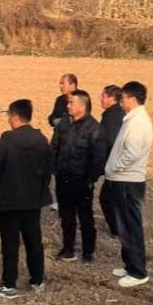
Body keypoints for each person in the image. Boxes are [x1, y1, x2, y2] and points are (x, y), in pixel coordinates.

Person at [0, 99, 52, 298]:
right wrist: (40, 192)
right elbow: (48, 171)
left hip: (8, 201)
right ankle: (37, 280)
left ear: (14, 116)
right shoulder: (41, 140)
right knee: (34, 242)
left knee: (10, 244)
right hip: (32, 201)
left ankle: (9, 284)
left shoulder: (6, 142)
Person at [105, 80, 153, 289]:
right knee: (125, 225)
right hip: (123, 179)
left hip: (127, 181)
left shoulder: (138, 122)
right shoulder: (132, 119)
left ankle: (138, 272)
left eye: (123, 97)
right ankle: (129, 265)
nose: (120, 101)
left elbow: (132, 153)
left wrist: (115, 167)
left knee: (130, 227)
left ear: (133, 98)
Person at [50, 89, 102, 263]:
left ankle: (88, 252)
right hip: (63, 177)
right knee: (66, 217)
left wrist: (90, 179)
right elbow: (54, 146)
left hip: (82, 181)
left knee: (85, 217)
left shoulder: (94, 128)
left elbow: (98, 158)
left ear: (83, 105)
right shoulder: (64, 123)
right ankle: (68, 249)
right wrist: (54, 169)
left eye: (71, 102)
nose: (68, 105)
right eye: (68, 102)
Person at [97, 85, 125, 236]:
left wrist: (103, 164)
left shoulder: (111, 116)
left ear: (111, 98)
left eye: (103, 96)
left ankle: (117, 229)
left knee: (106, 198)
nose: (101, 99)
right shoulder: (118, 113)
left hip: (114, 165)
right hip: (117, 164)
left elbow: (110, 141)